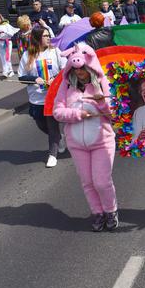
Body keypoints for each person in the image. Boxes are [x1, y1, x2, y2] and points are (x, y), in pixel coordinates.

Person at [53, 43, 119, 232]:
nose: (80, 73)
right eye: (76, 70)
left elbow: (113, 113)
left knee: (102, 181)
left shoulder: (103, 82)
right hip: (76, 144)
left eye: (83, 69)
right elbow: (57, 112)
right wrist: (76, 114)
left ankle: (111, 211)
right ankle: (97, 213)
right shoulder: (66, 87)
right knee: (88, 182)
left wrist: (102, 103)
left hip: (102, 141)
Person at [18, 27, 66, 167]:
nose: (48, 38)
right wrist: (34, 79)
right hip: (36, 98)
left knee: (52, 127)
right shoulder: (27, 55)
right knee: (41, 124)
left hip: (53, 97)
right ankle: (59, 138)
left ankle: (52, 154)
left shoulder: (55, 52)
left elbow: (66, 70)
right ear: (37, 38)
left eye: (48, 35)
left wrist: (55, 80)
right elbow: (21, 77)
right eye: (45, 36)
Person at [0, 13, 19, 78]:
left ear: (1, 19)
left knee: (7, 57)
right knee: (2, 57)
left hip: (7, 42)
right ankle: (5, 71)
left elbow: (11, 34)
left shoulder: (6, 25)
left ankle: (10, 71)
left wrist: (4, 32)